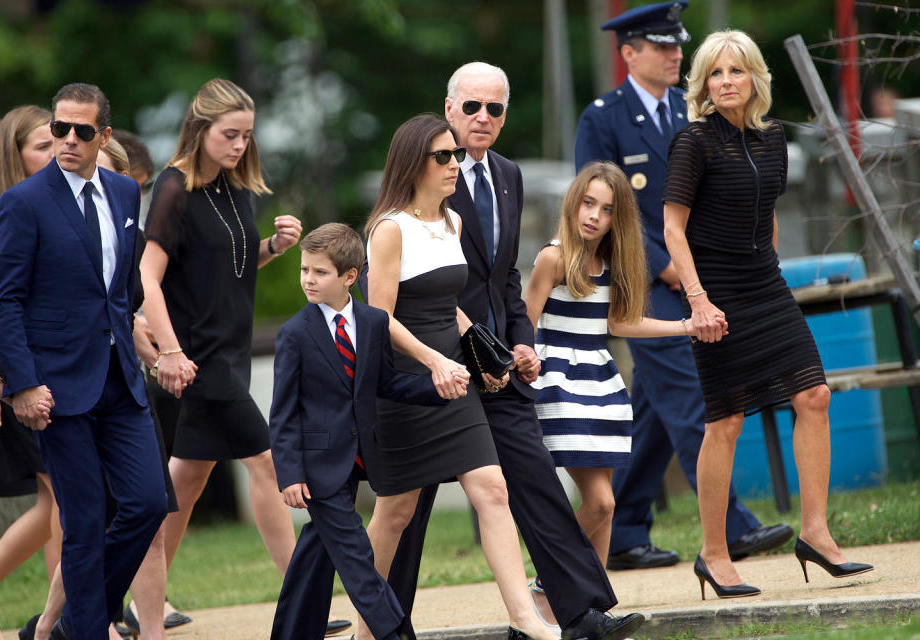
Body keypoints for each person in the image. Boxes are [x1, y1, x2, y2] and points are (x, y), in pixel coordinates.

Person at [378, 63, 643, 640]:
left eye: (494, 109)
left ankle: (578, 612)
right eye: (471, 107)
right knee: (405, 508)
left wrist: (523, 340)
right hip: (432, 362)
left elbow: (505, 276)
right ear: (448, 109)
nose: (482, 119)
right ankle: (384, 624)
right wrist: (465, 351)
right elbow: (395, 297)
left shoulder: (508, 174)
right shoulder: (422, 188)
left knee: (534, 481)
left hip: (498, 368)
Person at [574, 0, 792, 572]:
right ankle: (733, 528)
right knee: (694, 397)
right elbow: (602, 207)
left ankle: (620, 531)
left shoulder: (689, 111)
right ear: (629, 53)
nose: (676, 55)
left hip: (702, 275)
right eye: (663, 46)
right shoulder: (604, 116)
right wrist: (663, 266)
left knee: (654, 406)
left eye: (678, 45)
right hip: (641, 283)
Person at [663, 29, 873, 599]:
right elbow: (672, 228)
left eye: (736, 71)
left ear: (756, 77)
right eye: (715, 73)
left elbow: (769, 211)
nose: (726, 82)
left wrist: (771, 266)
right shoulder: (694, 142)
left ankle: (815, 532)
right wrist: (698, 298)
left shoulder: (772, 137)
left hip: (765, 285)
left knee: (815, 395)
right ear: (703, 84)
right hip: (715, 292)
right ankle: (713, 553)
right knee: (726, 421)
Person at [358, 113, 561, 640]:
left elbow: (450, 307)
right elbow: (378, 319)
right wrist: (433, 362)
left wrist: (484, 354)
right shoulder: (388, 229)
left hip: (454, 378)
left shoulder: (452, 222)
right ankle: (364, 628)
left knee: (493, 490)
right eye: (442, 157)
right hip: (406, 384)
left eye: (454, 155)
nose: (454, 165)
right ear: (413, 164)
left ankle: (526, 620)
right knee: (395, 513)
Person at [0, 82, 169, 638]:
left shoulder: (123, 192)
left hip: (121, 381)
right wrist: (21, 384)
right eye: (59, 129)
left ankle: (75, 621)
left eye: (81, 131)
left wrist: (142, 338)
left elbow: (120, 285)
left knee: (148, 502)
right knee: (84, 521)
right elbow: (4, 299)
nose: (67, 139)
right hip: (57, 388)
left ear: (104, 136)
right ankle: (86, 630)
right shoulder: (22, 202)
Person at [139, 77, 301, 600]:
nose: (239, 145)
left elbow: (224, 265)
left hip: (228, 349)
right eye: (230, 134)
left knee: (185, 483)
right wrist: (170, 350)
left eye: (247, 136)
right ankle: (303, 595)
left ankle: (138, 596)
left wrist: (273, 246)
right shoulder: (173, 187)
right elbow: (146, 278)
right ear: (200, 129)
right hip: (199, 357)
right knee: (267, 462)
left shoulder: (235, 188)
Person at [524, 161, 709, 572]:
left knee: (604, 506)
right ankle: (549, 583)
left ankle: (597, 601)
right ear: (574, 204)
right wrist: (524, 364)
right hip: (558, 381)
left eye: (606, 209)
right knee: (602, 502)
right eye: (588, 203)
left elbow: (621, 322)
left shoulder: (612, 264)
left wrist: (685, 326)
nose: (594, 215)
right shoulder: (553, 258)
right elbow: (525, 322)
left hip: (602, 384)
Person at [268, 223, 445, 640]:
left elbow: (385, 382)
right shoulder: (294, 333)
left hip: (361, 455)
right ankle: (396, 634)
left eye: (319, 272)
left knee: (316, 551)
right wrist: (290, 473)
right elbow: (283, 413)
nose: (308, 279)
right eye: (304, 270)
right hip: (317, 467)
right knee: (356, 556)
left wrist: (434, 386)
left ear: (350, 276)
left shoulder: (372, 322)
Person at [0, 107, 64, 623]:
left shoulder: (56, 206)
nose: (56, 153)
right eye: (43, 146)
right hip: (12, 375)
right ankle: (71, 622)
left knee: (55, 508)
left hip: (52, 366)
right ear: (14, 154)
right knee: (66, 502)